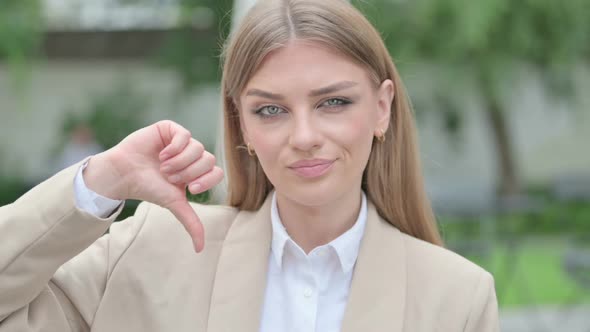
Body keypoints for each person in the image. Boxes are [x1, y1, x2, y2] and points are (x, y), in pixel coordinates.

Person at [0, 0, 499, 331]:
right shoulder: (151, 250)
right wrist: (102, 182)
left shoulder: (457, 297)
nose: (304, 138)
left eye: (333, 103)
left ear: (382, 107)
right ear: (241, 126)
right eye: (271, 110)